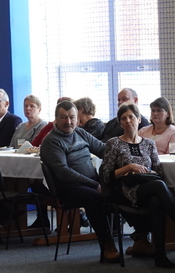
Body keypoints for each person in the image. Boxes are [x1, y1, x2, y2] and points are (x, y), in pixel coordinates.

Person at [99, 104, 175, 268]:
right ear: (120, 123)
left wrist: (147, 173)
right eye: (123, 118)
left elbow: (159, 172)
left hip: (147, 186)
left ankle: (160, 255)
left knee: (156, 199)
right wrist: (129, 167)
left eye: (131, 117)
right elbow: (105, 175)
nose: (128, 121)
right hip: (125, 189)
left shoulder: (149, 144)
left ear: (139, 119)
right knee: (158, 187)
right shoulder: (114, 143)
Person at [40, 100, 120, 262]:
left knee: (123, 186)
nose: (68, 122)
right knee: (94, 197)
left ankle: (140, 238)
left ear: (77, 118)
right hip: (68, 188)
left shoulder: (80, 133)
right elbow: (64, 172)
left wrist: (125, 154)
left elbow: (102, 149)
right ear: (56, 118)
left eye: (72, 117)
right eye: (63, 117)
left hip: (91, 182)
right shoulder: (51, 141)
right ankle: (107, 244)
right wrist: (95, 185)